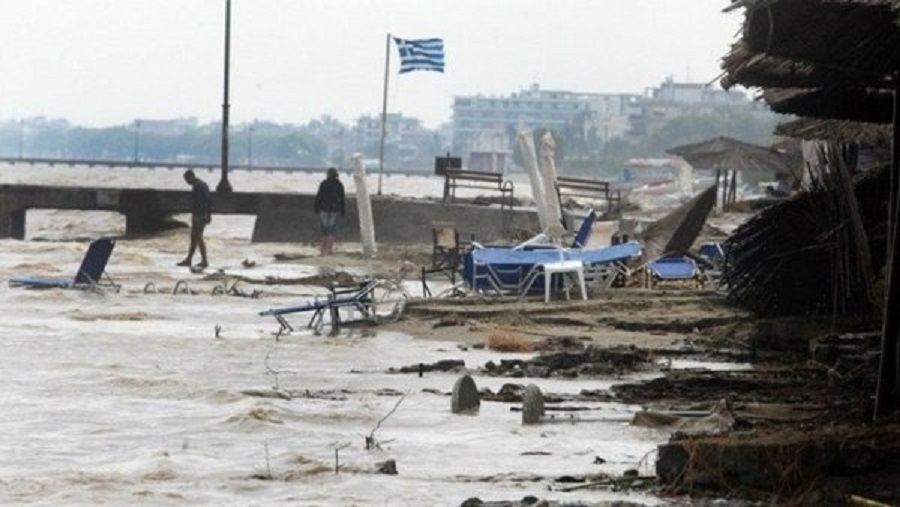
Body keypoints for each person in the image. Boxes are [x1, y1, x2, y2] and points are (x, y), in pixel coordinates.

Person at [177, 169, 211, 268]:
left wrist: (196, 215)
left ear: (191, 177)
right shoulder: (203, 185)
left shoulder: (197, 186)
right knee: (194, 238)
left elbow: (199, 203)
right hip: (203, 215)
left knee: (198, 237)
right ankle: (189, 259)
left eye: (187, 179)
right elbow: (209, 201)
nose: (187, 182)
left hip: (199, 216)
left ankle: (204, 260)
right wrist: (208, 215)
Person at [314, 167, 345, 255]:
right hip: (335, 209)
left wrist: (316, 208)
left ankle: (323, 248)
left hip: (323, 209)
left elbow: (319, 196)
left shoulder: (324, 183)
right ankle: (329, 249)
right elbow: (342, 198)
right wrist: (342, 210)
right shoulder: (339, 184)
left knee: (324, 229)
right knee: (332, 229)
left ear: (328, 174)